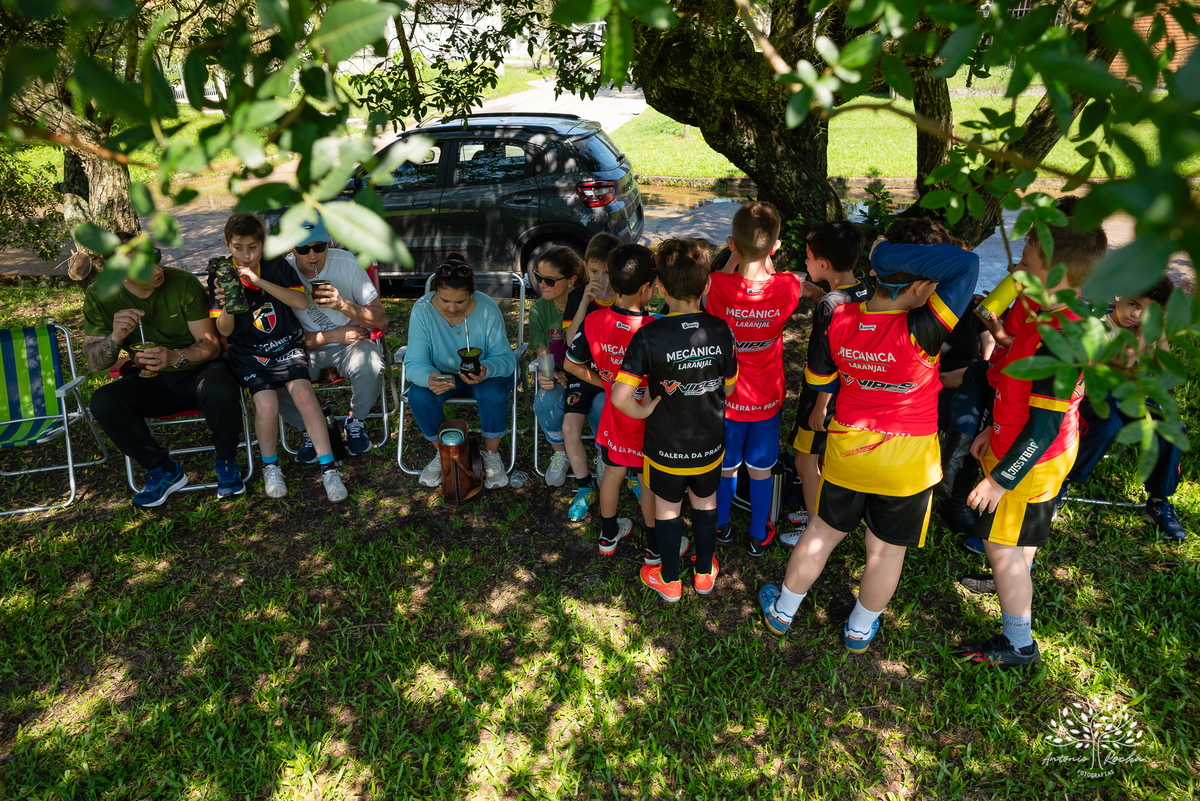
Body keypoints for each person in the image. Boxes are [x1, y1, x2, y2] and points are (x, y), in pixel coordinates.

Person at [759, 236, 978, 651]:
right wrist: (886, 252)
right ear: (917, 289)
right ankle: (859, 629)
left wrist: (879, 260)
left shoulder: (838, 315)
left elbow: (819, 379)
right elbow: (965, 266)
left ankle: (783, 611)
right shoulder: (924, 329)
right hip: (908, 463)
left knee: (821, 533)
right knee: (886, 552)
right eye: (929, 286)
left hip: (848, 451)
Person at [954, 206, 1108, 668]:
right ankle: (1014, 574)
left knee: (1000, 547)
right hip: (1026, 443)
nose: (1017, 268)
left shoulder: (1061, 342)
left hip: (1031, 457)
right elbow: (1017, 379)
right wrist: (989, 427)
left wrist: (1000, 480)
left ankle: (1018, 642)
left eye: (1027, 263)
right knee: (1018, 541)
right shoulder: (1047, 308)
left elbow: (1040, 430)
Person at [612, 238, 738, 603]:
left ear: (661, 289)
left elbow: (621, 398)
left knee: (667, 507)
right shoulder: (721, 330)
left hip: (665, 446)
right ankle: (703, 573)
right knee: (705, 502)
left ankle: (669, 579)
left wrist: (645, 410)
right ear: (708, 284)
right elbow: (728, 391)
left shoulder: (648, 335)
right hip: (709, 443)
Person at [83, 234, 245, 507]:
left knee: (219, 385)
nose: (158, 270)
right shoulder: (100, 294)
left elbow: (211, 346)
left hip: (197, 370)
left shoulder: (181, 282)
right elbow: (94, 362)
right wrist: (116, 336)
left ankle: (227, 462)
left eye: (156, 258)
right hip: (150, 378)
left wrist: (174, 357)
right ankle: (162, 470)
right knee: (103, 401)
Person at [210, 214, 348, 503]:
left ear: (264, 245)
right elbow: (224, 331)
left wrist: (258, 280)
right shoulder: (221, 276)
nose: (246, 255)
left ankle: (329, 470)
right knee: (267, 404)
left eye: (253, 247)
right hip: (249, 351)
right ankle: (271, 467)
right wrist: (228, 306)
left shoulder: (275, 266)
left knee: (304, 395)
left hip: (286, 343)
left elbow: (299, 301)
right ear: (227, 244)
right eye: (238, 248)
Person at [708, 201, 805, 556]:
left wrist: (737, 255)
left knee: (726, 470)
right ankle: (757, 533)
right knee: (761, 470)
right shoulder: (788, 287)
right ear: (775, 248)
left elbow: (734, 270)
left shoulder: (716, 285)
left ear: (731, 244)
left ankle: (720, 526)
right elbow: (775, 275)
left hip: (727, 399)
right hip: (766, 400)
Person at [565, 244, 671, 558]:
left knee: (612, 473)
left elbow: (571, 363)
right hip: (647, 418)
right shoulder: (655, 329)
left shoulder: (595, 320)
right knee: (647, 481)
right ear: (646, 288)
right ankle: (654, 547)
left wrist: (609, 384)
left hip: (615, 414)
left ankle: (608, 535)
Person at [786, 220, 869, 547]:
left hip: (823, 398)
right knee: (822, 458)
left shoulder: (828, 307)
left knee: (804, 460)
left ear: (823, 264)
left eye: (808, 258)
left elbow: (823, 363)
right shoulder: (863, 289)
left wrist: (819, 407)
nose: (805, 263)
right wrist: (822, 292)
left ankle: (815, 529)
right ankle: (819, 513)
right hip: (852, 393)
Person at [278, 215, 388, 461]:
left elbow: (380, 320)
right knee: (273, 377)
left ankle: (356, 421)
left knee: (370, 362)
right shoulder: (283, 273)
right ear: (291, 248)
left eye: (319, 247)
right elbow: (281, 339)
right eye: (303, 249)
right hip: (305, 349)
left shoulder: (346, 263)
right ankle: (310, 429)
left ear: (328, 242)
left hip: (353, 344)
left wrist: (342, 305)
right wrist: (330, 335)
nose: (312, 255)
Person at [404, 253, 516, 489]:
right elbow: (413, 363)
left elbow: (506, 359)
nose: (452, 308)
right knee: (418, 394)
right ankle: (444, 452)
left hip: (483, 374)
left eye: (460, 301)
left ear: (471, 294)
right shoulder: (423, 310)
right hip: (443, 375)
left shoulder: (486, 308)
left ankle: (490, 453)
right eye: (445, 301)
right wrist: (429, 378)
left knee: (493, 392)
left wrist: (487, 368)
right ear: (435, 292)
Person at [562, 232, 625, 520]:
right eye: (594, 271)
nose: (601, 278)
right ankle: (585, 486)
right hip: (583, 371)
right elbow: (569, 342)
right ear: (586, 268)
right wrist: (586, 303)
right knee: (570, 428)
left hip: (614, 373)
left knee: (617, 420)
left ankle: (624, 471)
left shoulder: (626, 295)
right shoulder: (578, 296)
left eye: (608, 272)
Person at [528, 246, 584, 487]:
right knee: (545, 399)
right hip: (561, 371)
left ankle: (605, 457)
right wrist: (548, 375)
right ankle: (560, 452)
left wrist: (572, 374)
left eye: (550, 280)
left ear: (572, 280)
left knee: (600, 403)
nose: (542, 285)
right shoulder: (540, 309)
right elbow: (543, 354)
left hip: (589, 375)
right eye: (539, 277)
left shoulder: (586, 304)